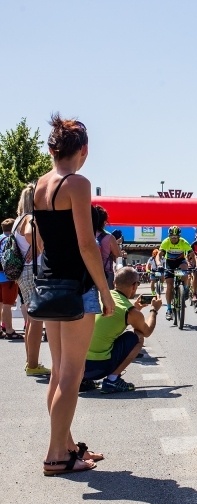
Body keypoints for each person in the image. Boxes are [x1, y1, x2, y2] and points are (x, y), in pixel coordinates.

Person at [34, 114, 114, 476]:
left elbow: (41, 243)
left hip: (50, 286)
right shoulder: (78, 184)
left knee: (58, 373)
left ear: (52, 148)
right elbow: (86, 244)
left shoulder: (39, 185)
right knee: (71, 376)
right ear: (83, 150)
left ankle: (66, 444)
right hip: (76, 288)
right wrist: (104, 291)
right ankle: (56, 455)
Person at [83, 267, 162, 393]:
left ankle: (82, 381)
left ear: (114, 283)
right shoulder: (129, 310)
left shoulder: (99, 296)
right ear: (134, 286)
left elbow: (111, 324)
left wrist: (136, 308)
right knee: (138, 336)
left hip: (77, 367)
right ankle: (112, 380)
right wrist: (154, 310)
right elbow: (146, 331)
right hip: (98, 368)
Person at [12, 184, 50, 375]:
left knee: (32, 318)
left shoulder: (17, 220)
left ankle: (31, 362)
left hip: (22, 272)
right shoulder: (29, 218)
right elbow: (29, 234)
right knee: (37, 319)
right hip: (32, 270)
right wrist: (39, 249)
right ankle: (33, 365)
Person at [158, 226, 193, 321]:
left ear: (179, 237)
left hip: (180, 261)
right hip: (169, 263)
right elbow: (159, 255)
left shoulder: (183, 242)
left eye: (175, 237)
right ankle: (169, 309)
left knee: (185, 271)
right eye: (172, 237)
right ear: (169, 236)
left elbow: (191, 254)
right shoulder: (166, 242)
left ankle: (185, 289)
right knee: (169, 285)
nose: (173, 238)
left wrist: (193, 264)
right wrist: (159, 264)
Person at [0, 218, 22, 341]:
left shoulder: (0, 238)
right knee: (7, 305)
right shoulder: (12, 240)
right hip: (8, 276)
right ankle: (9, 330)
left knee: (0, 304)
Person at [92, 205, 121, 289]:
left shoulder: (86, 235)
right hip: (106, 275)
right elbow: (118, 257)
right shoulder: (109, 237)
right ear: (104, 222)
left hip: (88, 275)